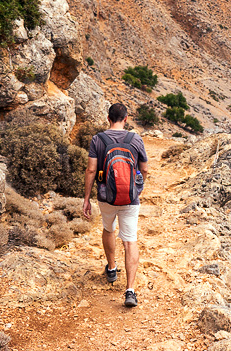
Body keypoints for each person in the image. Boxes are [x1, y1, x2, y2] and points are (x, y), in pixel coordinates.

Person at [82, 103, 149, 308]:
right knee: (130, 241)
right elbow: (144, 169)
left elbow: (91, 171)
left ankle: (111, 268)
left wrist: (86, 199)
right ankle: (130, 290)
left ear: (108, 118)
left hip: (106, 196)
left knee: (108, 229)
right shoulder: (135, 139)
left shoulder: (98, 139)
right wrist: (138, 188)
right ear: (126, 118)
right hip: (130, 198)